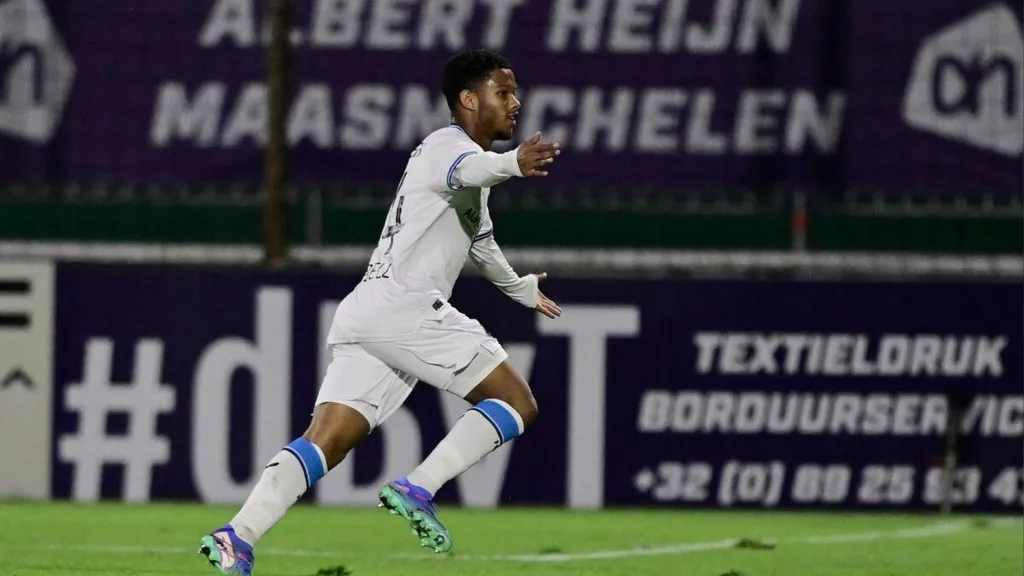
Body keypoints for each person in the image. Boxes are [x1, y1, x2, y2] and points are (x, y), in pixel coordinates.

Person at [198, 48, 562, 575]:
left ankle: (237, 535)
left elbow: (480, 242)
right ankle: (420, 486)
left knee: (328, 440)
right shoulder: (447, 148)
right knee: (517, 402)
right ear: (468, 99)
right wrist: (513, 165)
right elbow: (474, 169)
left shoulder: (461, 170)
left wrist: (517, 287)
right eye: (503, 92)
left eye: (514, 92)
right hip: (405, 308)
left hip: (369, 312)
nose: (515, 102)